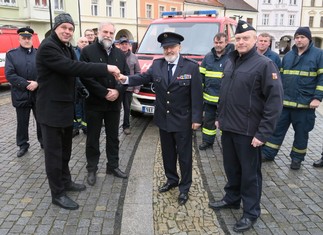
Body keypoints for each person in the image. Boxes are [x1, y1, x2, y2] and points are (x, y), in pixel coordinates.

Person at [36, 13, 121, 210]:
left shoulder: (64, 47)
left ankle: (66, 182)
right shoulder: (48, 47)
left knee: (65, 152)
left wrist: (80, 89)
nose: (67, 31)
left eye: (71, 28)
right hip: (51, 112)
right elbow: (73, 67)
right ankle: (57, 194)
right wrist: (106, 67)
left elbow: (68, 75)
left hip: (65, 110)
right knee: (54, 155)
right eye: (64, 27)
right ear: (55, 28)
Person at [208, 20, 283, 233]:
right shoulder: (231, 61)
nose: (241, 41)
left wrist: (263, 133)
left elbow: (275, 102)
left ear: (255, 40)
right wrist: (219, 117)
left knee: (250, 175)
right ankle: (232, 198)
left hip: (250, 133)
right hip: (229, 127)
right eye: (238, 38)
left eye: (246, 38)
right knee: (232, 169)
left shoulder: (264, 64)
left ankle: (251, 212)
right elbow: (225, 93)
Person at [118, 32, 203, 205]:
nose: (169, 50)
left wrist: (196, 119)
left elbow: (197, 95)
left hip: (183, 120)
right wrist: (126, 78)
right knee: (168, 153)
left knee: (185, 156)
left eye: (172, 47)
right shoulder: (157, 65)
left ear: (179, 47)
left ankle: (184, 187)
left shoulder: (191, 67)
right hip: (164, 119)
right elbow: (142, 77)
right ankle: (171, 179)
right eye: (165, 48)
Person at [262, 27, 323, 170]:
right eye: (297, 37)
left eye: (302, 37)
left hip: (305, 105)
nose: (299, 39)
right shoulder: (288, 55)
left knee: (301, 134)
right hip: (285, 103)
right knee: (276, 130)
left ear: (309, 38)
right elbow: (281, 78)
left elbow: (322, 79)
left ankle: (297, 159)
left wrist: (317, 98)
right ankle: (268, 153)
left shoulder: (319, 55)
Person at [80, 22, 130, 186]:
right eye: (105, 31)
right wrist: (104, 92)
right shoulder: (88, 51)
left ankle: (113, 166)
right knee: (93, 138)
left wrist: (117, 91)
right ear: (99, 32)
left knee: (113, 137)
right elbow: (85, 77)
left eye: (111, 32)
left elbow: (125, 77)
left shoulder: (120, 54)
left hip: (114, 104)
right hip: (94, 103)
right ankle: (92, 169)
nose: (108, 35)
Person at [5, 27, 43, 158]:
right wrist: (27, 84)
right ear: (19, 38)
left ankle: (44, 142)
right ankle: (22, 145)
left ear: (32, 39)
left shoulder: (39, 53)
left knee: (41, 120)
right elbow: (10, 74)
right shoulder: (12, 54)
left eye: (29, 38)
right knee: (22, 122)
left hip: (38, 94)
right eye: (24, 38)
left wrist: (37, 83)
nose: (27, 40)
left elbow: (45, 72)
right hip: (21, 94)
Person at [199, 33, 231, 150]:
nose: (218, 45)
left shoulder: (232, 57)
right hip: (209, 98)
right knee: (208, 122)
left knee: (225, 123)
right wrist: (200, 94)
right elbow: (201, 76)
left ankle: (226, 145)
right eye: (216, 43)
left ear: (226, 43)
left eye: (220, 42)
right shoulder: (208, 57)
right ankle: (207, 141)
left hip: (225, 100)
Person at [119, 36, 141, 135]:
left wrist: (137, 87)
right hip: (117, 87)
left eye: (126, 44)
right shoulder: (116, 55)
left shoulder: (134, 57)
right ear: (119, 45)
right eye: (122, 44)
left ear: (129, 45)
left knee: (127, 108)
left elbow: (138, 72)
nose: (124, 46)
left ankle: (126, 126)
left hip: (129, 87)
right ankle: (114, 126)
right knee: (115, 108)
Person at [73, 36, 89, 137]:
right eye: (82, 42)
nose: (84, 43)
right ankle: (76, 127)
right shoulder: (74, 53)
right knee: (76, 109)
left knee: (86, 108)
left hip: (87, 86)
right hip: (76, 86)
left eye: (86, 42)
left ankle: (85, 127)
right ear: (78, 43)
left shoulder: (90, 53)